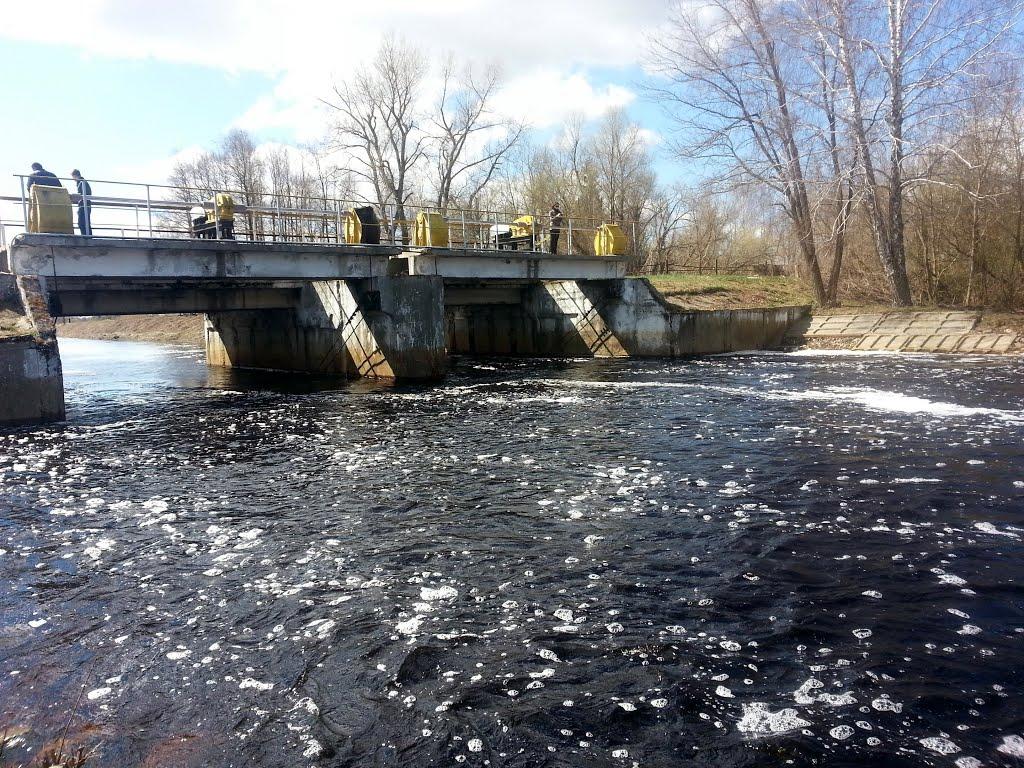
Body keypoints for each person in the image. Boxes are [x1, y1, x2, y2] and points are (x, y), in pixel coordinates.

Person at [71, 169, 93, 236]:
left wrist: (75, 198)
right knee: (86, 221)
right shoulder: (83, 182)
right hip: (86, 203)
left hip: (83, 204)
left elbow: (81, 194)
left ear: (74, 175)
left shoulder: (81, 182)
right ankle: (87, 235)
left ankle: (85, 236)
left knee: (81, 222)